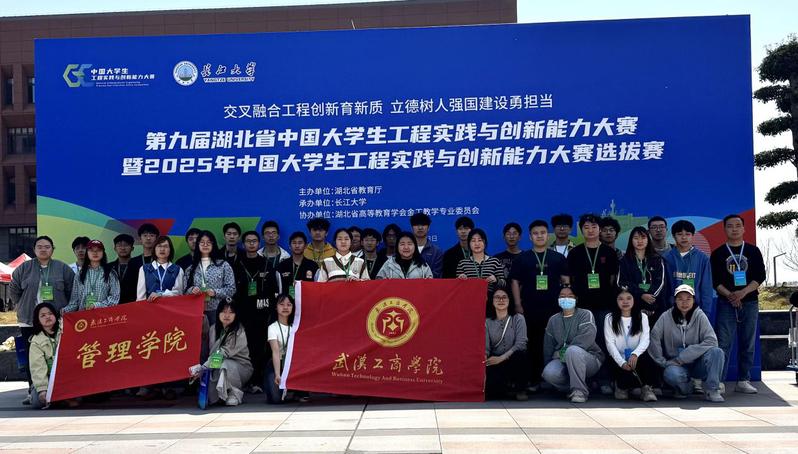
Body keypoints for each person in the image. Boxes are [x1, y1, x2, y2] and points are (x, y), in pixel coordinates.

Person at [10, 237, 73, 406]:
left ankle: (61, 388)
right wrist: (21, 304)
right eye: (39, 247)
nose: (43, 249)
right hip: (30, 319)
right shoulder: (24, 268)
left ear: (53, 249)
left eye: (47, 246)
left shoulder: (62, 268)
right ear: (34, 249)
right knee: (32, 356)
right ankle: (33, 390)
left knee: (58, 355)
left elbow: (71, 290)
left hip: (55, 320)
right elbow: (14, 289)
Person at [510, 220, 569, 391]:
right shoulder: (523, 258)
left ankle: (554, 379)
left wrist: (565, 304)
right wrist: (518, 304)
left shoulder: (558, 258)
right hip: (529, 307)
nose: (539, 236)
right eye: (535, 233)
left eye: (543, 233)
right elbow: (515, 282)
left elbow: (566, 281)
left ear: (547, 235)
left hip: (554, 308)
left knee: (553, 343)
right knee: (533, 343)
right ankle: (534, 379)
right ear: (530, 237)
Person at [711, 214, 766, 394]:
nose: (734, 229)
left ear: (744, 228)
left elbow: (760, 276)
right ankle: (719, 381)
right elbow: (715, 281)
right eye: (730, 226)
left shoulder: (753, 251)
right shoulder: (718, 253)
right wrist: (731, 296)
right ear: (724, 229)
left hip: (749, 302)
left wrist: (743, 293)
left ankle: (743, 380)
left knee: (747, 342)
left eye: (737, 225)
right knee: (723, 343)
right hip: (726, 303)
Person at [648, 284, 725, 402]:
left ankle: (712, 390)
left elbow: (712, 341)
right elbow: (654, 337)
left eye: (688, 299)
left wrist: (684, 356)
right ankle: (686, 388)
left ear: (694, 300)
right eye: (680, 299)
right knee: (670, 374)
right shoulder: (666, 316)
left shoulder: (700, 315)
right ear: (675, 301)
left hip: (697, 364)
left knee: (717, 352)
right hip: (676, 364)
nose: (684, 303)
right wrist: (662, 362)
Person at [541, 286, 605, 403]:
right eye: (562, 296)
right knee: (548, 373)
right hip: (562, 360)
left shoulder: (585, 314)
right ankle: (576, 387)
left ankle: (579, 391)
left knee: (573, 351)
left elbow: (587, 338)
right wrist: (548, 362)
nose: (566, 299)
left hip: (589, 358)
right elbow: (548, 345)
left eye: (570, 296)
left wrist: (561, 352)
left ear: (576, 299)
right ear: (558, 299)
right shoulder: (553, 320)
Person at [233, 230, 274, 394]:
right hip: (243, 313)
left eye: (254, 241)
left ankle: (258, 380)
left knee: (260, 348)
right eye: (248, 241)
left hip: (262, 314)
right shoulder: (237, 264)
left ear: (259, 243)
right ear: (243, 244)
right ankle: (245, 381)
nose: (251, 244)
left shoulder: (266, 264)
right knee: (244, 347)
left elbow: (272, 290)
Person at [191, 301, 252, 406]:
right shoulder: (213, 329)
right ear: (218, 313)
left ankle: (234, 394)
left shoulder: (239, 331)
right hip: (215, 364)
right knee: (211, 396)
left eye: (231, 312)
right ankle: (221, 395)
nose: (227, 315)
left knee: (225, 364)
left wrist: (204, 367)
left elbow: (223, 353)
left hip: (240, 367)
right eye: (224, 312)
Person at [603, 288, 658, 401]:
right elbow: (610, 344)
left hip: (636, 357)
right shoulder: (609, 318)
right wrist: (622, 362)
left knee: (648, 361)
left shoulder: (642, 317)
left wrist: (635, 354)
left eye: (629, 298)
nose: (625, 302)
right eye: (621, 299)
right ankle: (621, 387)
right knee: (622, 383)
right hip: (618, 357)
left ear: (634, 300)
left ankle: (646, 388)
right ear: (616, 301)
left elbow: (645, 340)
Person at [663, 220, 714, 318]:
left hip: (696, 310)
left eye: (687, 234)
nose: (684, 237)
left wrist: (705, 313)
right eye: (679, 234)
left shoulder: (702, 258)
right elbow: (665, 288)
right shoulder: (667, 258)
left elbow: (706, 288)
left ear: (693, 235)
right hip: (672, 309)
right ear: (673, 236)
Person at [184, 231, 236, 324]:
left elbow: (232, 289)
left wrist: (215, 292)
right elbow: (184, 290)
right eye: (202, 242)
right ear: (198, 245)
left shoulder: (223, 265)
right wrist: (192, 290)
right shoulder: (190, 268)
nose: (205, 245)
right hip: (196, 310)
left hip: (218, 309)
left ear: (213, 244)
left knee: (215, 333)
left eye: (208, 242)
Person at [485, 289, 529, 401]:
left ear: (509, 300)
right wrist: (485, 359)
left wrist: (502, 358)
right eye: (497, 297)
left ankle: (520, 390)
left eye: (504, 297)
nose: (501, 300)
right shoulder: (487, 322)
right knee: (492, 391)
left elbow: (521, 344)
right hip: (495, 359)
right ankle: (507, 389)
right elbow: (486, 348)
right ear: (492, 301)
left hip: (512, 358)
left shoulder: (518, 318)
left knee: (520, 356)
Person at [617, 227, 666, 322]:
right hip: (633, 306)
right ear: (631, 240)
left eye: (643, 237)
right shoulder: (624, 261)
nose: (640, 241)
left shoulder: (657, 259)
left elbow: (661, 283)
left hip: (655, 305)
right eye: (636, 238)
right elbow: (621, 283)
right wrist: (641, 295)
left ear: (648, 239)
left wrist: (650, 296)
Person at [265, 294, 303, 404]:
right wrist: (277, 374)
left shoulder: (296, 326)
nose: (285, 307)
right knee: (275, 399)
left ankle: (297, 392)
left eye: (289, 305)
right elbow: (275, 352)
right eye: (281, 304)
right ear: (276, 307)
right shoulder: (272, 327)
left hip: (294, 364)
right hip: (277, 363)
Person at [63, 240, 120, 312]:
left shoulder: (110, 273)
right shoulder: (80, 274)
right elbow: (74, 302)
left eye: (98, 250)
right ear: (87, 253)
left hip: (103, 315)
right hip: (83, 316)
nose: (95, 253)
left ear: (103, 253)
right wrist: (65, 310)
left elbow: (114, 299)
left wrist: (96, 305)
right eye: (91, 250)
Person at [28, 303, 65, 409]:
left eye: (50, 313)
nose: (47, 317)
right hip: (48, 379)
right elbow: (37, 367)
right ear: (38, 320)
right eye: (43, 315)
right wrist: (42, 389)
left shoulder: (65, 329)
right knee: (38, 401)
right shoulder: (36, 341)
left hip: (66, 377)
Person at [456, 229, 505, 298]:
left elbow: (504, 284)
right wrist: (460, 279)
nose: (477, 244)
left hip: (490, 300)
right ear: (469, 244)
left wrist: (496, 280)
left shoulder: (494, 261)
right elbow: (457, 288)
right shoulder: (462, 263)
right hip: (469, 299)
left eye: (480, 240)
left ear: (485, 243)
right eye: (473, 241)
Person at [136, 236, 185, 301]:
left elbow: (179, 293)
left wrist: (161, 294)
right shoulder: (144, 269)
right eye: (159, 246)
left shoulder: (177, 269)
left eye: (165, 246)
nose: (162, 249)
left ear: (170, 250)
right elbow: (140, 297)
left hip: (170, 306)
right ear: (154, 249)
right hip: (150, 306)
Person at [277, 232, 319, 299]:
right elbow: (279, 290)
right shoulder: (282, 266)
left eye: (300, 243)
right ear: (290, 246)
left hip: (307, 302)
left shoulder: (313, 266)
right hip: (287, 303)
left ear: (305, 246)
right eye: (294, 243)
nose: (297, 246)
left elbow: (317, 288)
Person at [410, 213, 443, 278]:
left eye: (423, 224)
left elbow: (437, 274)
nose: (420, 228)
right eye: (417, 224)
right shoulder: (405, 249)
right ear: (412, 228)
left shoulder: (436, 252)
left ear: (428, 228)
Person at [108, 234, 140, 304]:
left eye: (126, 245)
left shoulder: (139, 266)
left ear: (132, 248)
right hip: (112, 304)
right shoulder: (108, 267)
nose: (123, 248)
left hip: (132, 304)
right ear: (115, 248)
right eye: (119, 245)